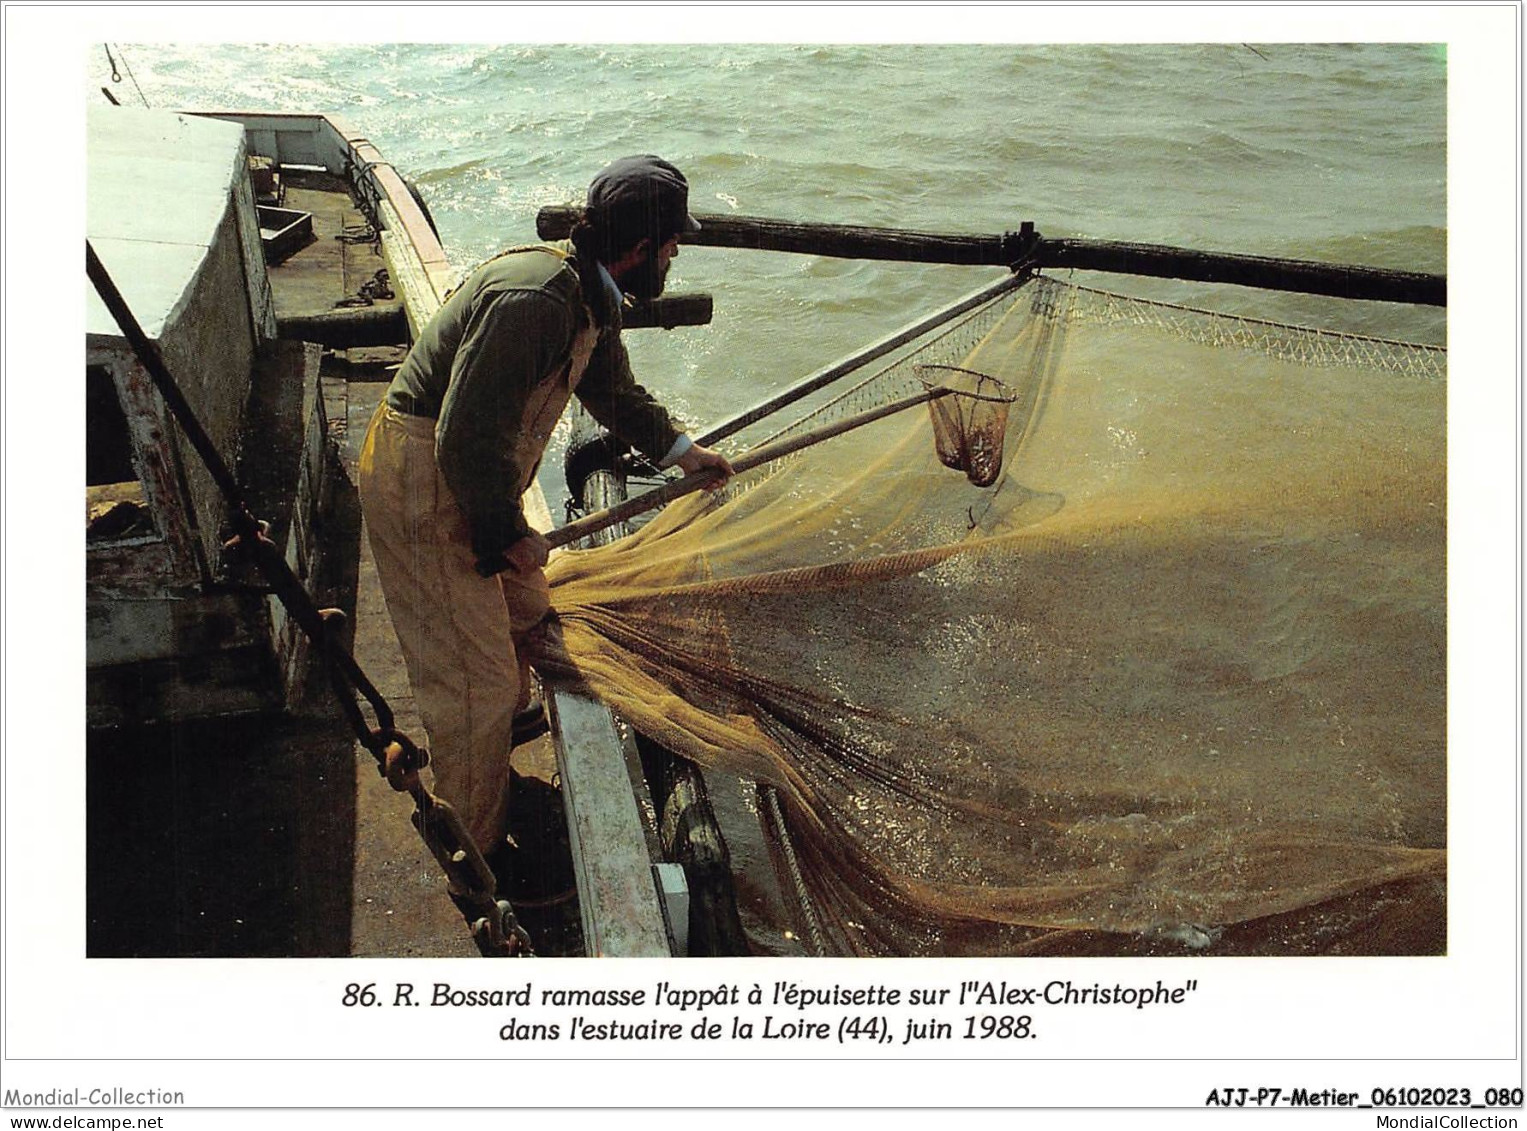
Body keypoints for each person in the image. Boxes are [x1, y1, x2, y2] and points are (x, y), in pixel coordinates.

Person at [357, 154, 733, 883]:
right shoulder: (535, 301)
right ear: (637, 249)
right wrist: (504, 535)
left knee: (528, 610)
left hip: (468, 474)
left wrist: (685, 452)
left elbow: (612, 392)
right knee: (477, 683)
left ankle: (497, 743)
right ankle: (475, 850)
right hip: (421, 481)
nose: (676, 253)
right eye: (670, 243)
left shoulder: (592, 294)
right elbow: (463, 435)